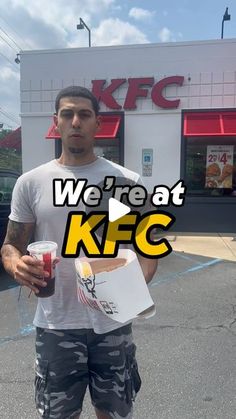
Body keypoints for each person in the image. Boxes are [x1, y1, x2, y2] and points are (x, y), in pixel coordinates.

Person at [1, 86, 158, 419]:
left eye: (84, 115)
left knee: (114, 413)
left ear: (97, 123)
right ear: (55, 122)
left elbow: (148, 249)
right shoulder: (31, 183)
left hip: (112, 324)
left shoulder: (125, 182)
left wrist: (134, 290)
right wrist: (17, 267)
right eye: (67, 114)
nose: (76, 122)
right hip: (56, 324)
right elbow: (11, 246)